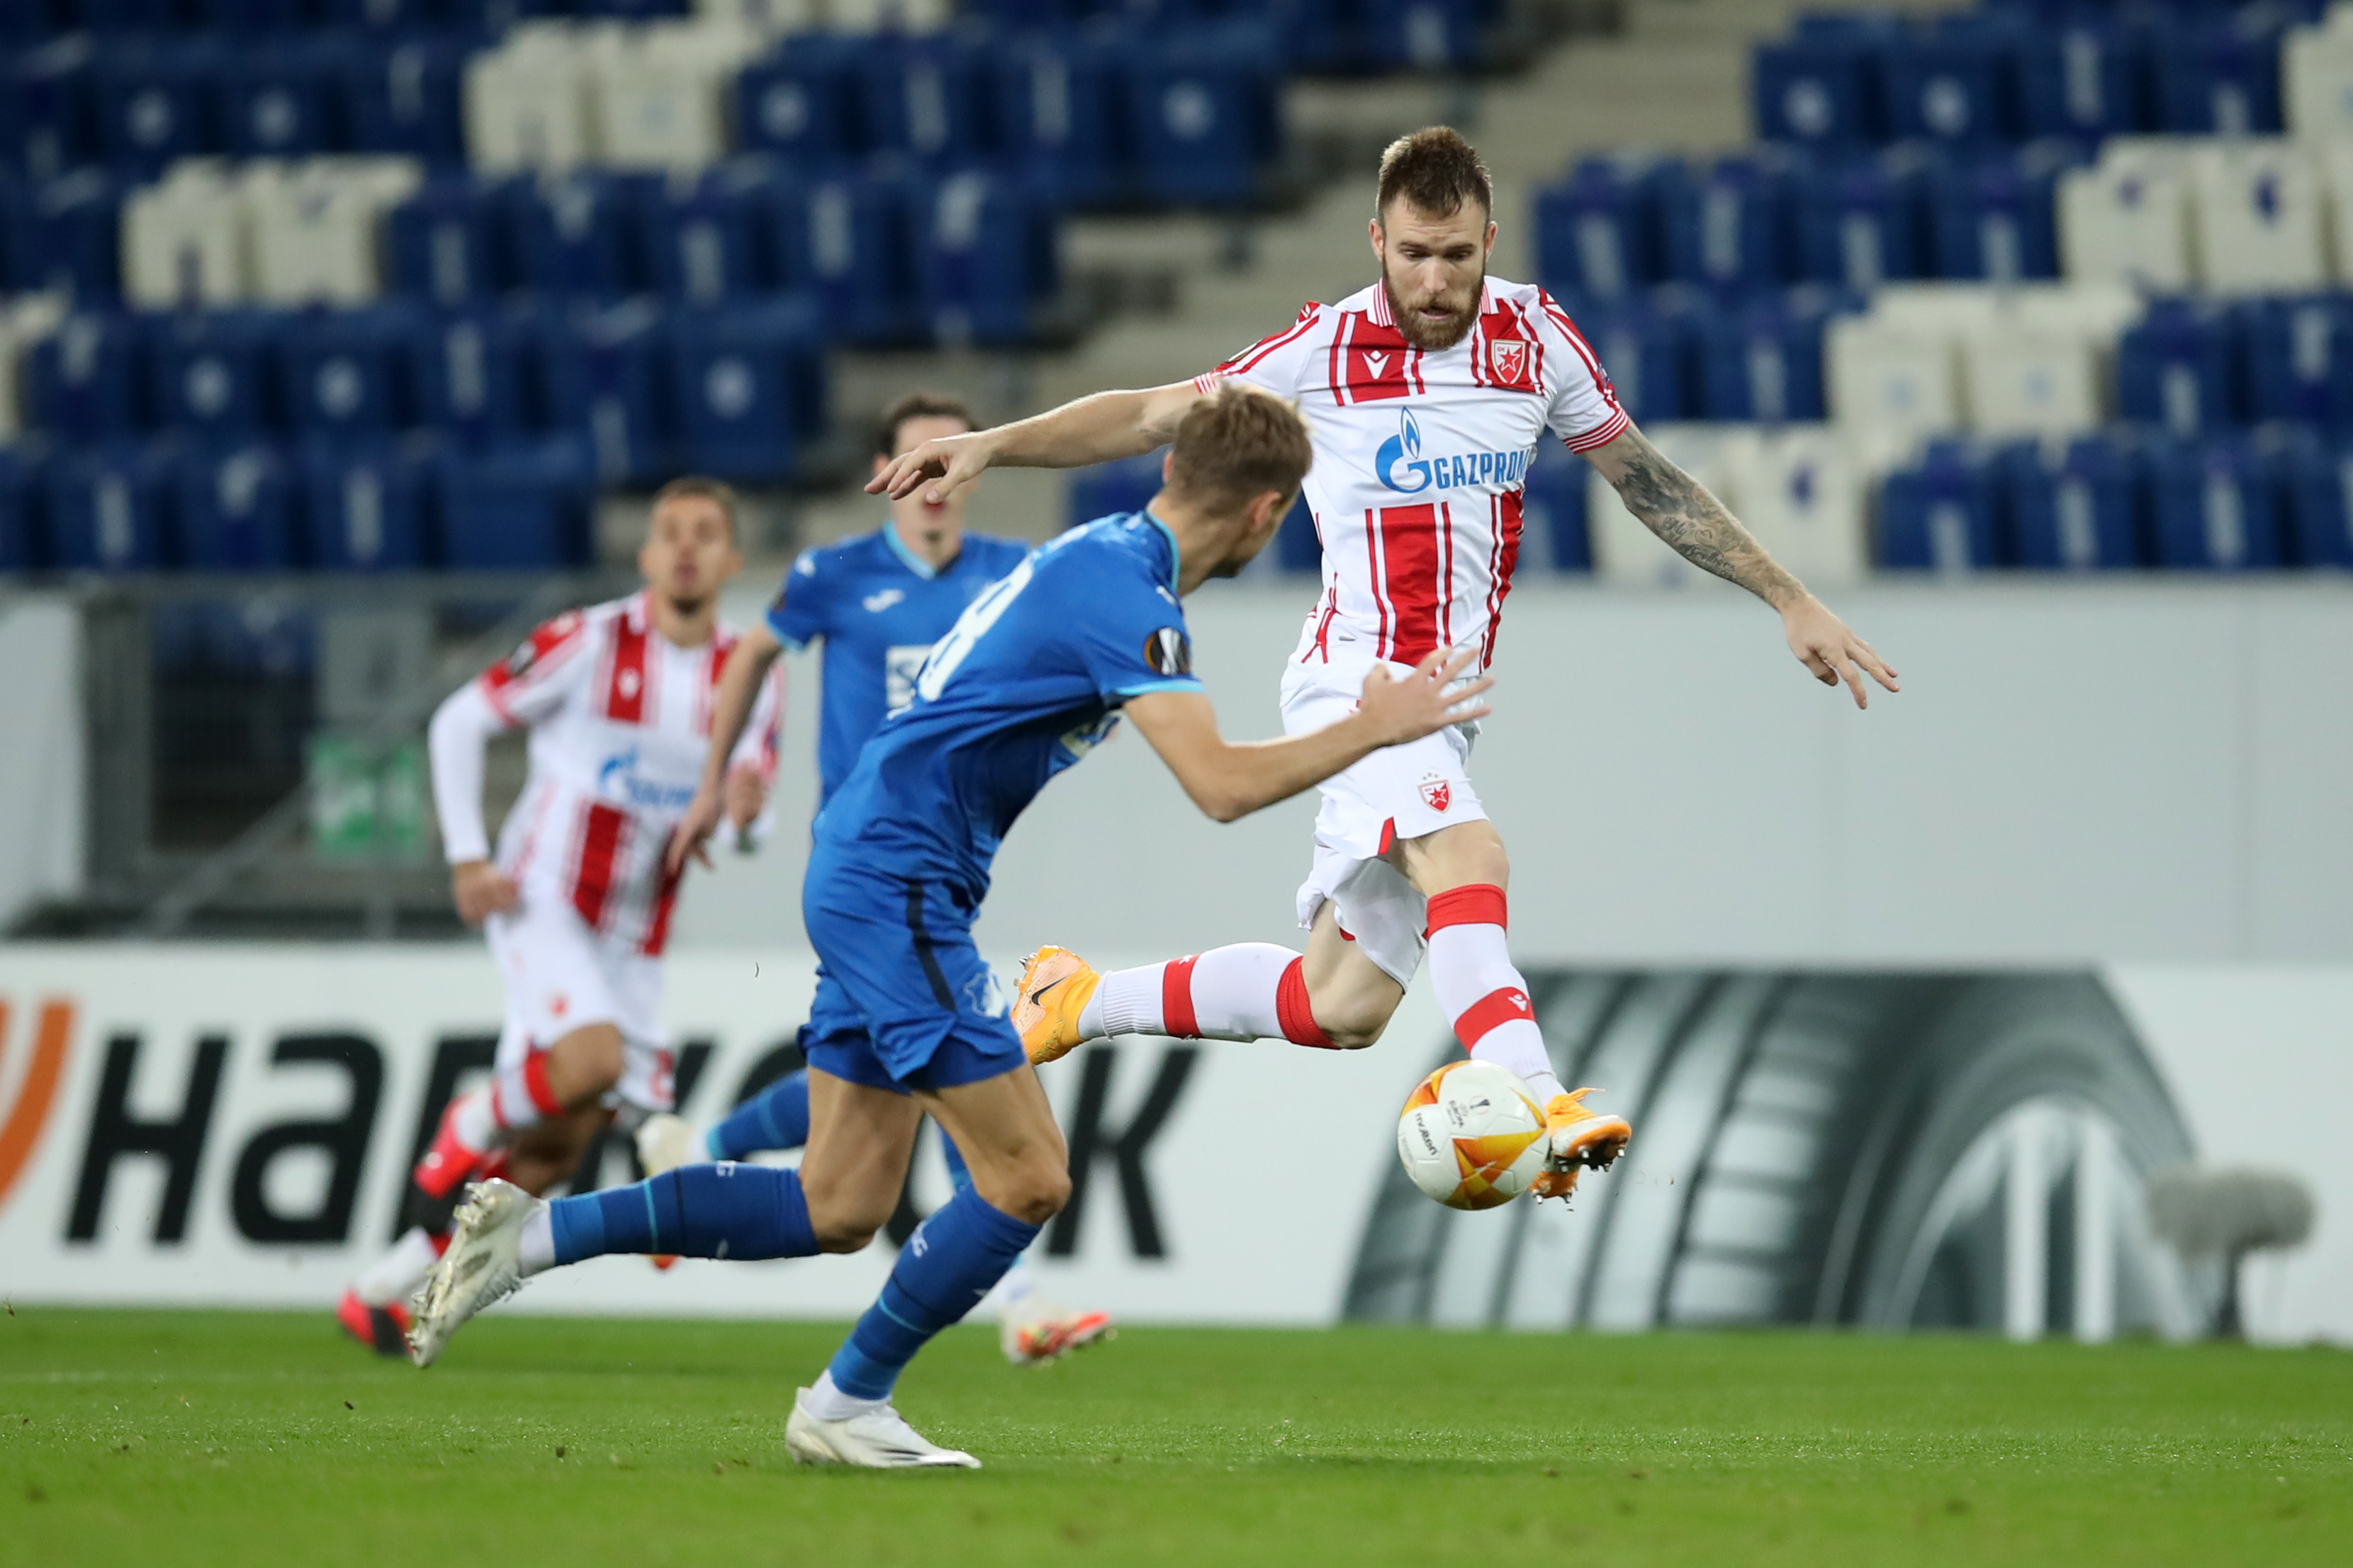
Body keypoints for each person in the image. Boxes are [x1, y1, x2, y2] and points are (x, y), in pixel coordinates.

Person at [405, 384, 1491, 1470]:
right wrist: (1373, 726)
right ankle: (844, 1401)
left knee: (837, 1201)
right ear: (1270, 513)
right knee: (1029, 1177)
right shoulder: (1128, 598)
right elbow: (1215, 786)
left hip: (874, 866)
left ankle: (531, 1235)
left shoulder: (1105, 555)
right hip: (898, 881)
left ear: (1171, 473)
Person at [869, 127, 1901, 1202]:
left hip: (1440, 712)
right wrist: (993, 443)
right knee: (1471, 854)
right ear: (1377, 241)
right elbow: (1146, 414)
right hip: (1355, 682)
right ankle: (1537, 1090)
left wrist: (1790, 597)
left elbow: (1647, 480)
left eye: (1458, 254)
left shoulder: (1536, 338)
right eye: (1414, 253)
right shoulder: (1323, 350)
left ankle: (1078, 998)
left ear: (1490, 242)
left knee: (1342, 1004)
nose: (1436, 278)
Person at [635, 390, 1114, 1365]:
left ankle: (700, 1140)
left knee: (871, 1080)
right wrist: (721, 772)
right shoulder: (835, 574)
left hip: (941, 858)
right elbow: (750, 656)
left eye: (950, 458)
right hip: (865, 865)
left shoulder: (1008, 577)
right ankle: (1019, 1300)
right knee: (957, 1052)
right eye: (914, 461)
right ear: (884, 476)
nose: (933, 480)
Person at [334, 478, 779, 1353]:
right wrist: (466, 854)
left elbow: (750, 827)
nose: (686, 547)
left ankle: (380, 1288)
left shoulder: (753, 671)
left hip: (636, 931)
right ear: (647, 555)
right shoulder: (588, 638)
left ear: (731, 559)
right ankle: (467, 1121)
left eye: (706, 534)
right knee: (592, 1063)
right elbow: (461, 719)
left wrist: (747, 808)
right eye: (669, 533)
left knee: (558, 1147)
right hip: (543, 896)